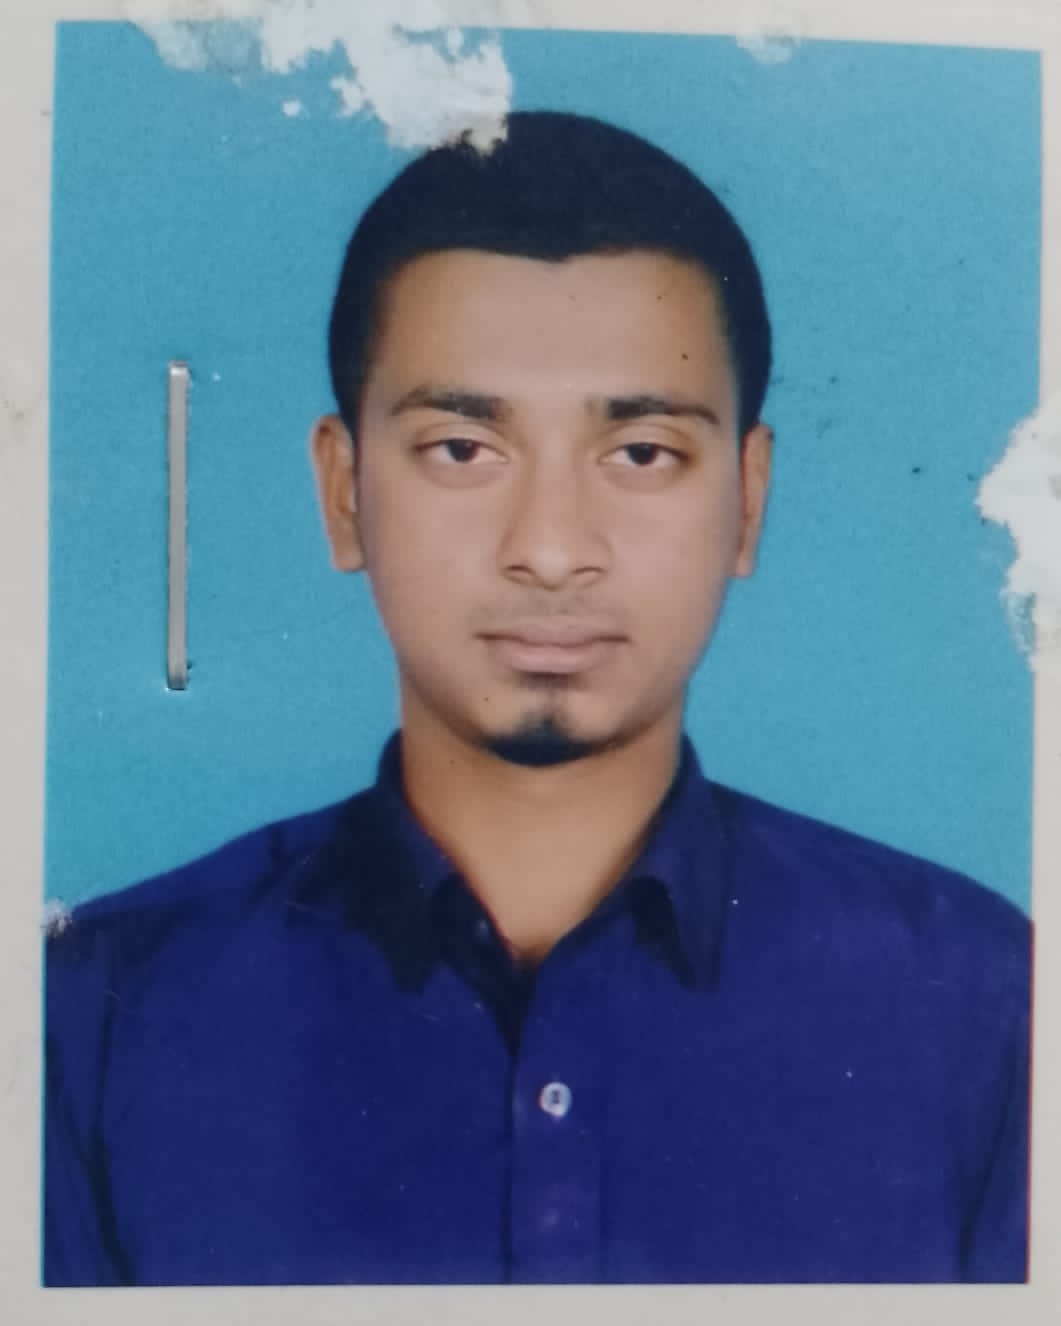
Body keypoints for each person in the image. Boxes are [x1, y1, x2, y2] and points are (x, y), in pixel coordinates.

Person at [44, 111, 1030, 1287]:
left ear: (747, 498)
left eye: (641, 453)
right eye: (463, 449)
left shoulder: (989, 1002)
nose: (552, 549)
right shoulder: (93, 1018)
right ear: (343, 492)